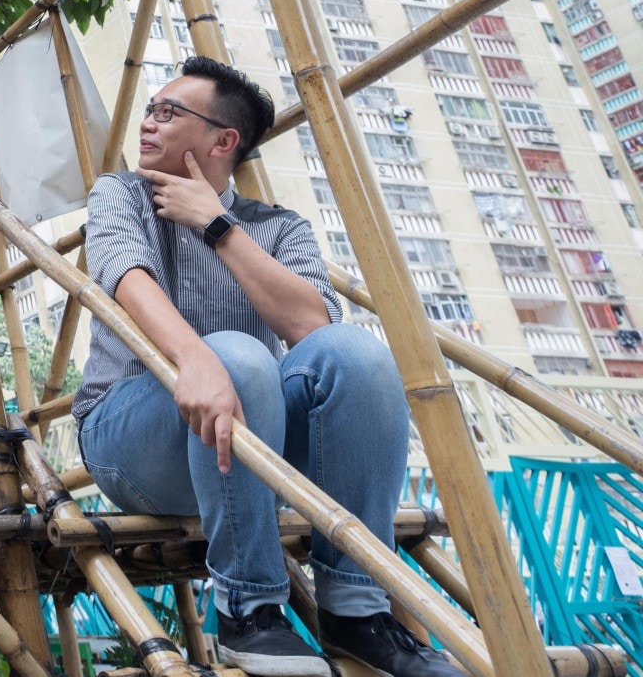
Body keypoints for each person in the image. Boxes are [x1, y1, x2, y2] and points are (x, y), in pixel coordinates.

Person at [73, 56, 460, 677]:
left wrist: (218, 225)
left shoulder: (280, 228)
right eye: (150, 108)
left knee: (355, 352)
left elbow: (310, 328)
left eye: (167, 112)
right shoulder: (121, 193)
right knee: (238, 354)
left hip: (252, 445)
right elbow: (128, 279)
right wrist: (198, 360)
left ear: (223, 140)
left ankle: (356, 608)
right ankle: (249, 610)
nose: (147, 123)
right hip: (136, 440)